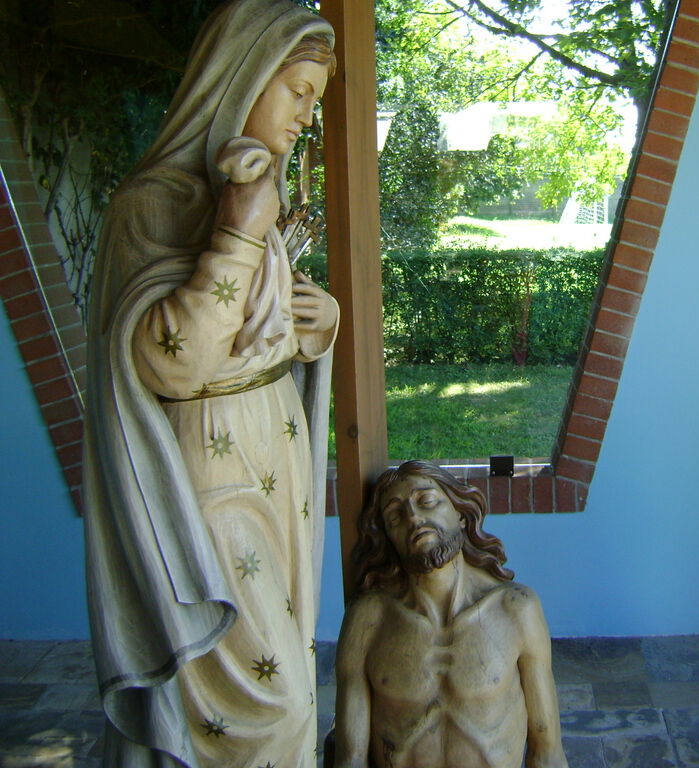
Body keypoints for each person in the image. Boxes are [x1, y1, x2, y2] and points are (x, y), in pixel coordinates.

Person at [83, 2, 338, 765]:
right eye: (298, 91)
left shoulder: (256, 190)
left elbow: (255, 332)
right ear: (243, 77)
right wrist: (236, 234)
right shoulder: (150, 204)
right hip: (209, 468)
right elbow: (174, 362)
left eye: (315, 100)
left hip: (275, 452)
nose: (307, 116)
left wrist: (318, 324)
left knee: (292, 656)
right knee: (276, 700)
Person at [332, 461, 568, 768]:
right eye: (395, 516)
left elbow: (547, 753)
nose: (414, 517)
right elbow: (350, 759)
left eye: (427, 501)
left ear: (460, 512)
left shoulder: (516, 609)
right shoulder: (369, 619)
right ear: (388, 537)